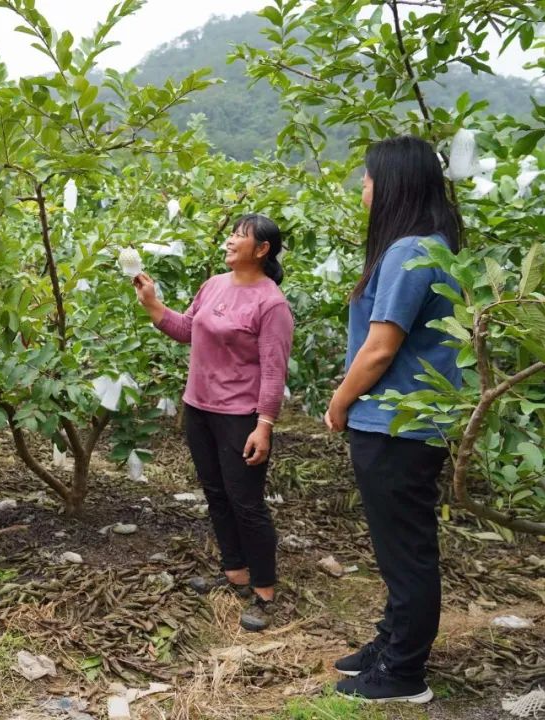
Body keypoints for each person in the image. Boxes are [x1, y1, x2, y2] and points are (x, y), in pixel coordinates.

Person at [324, 135, 462, 704]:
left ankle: (404, 672)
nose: (364, 186)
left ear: (395, 184)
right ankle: (390, 642)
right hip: (409, 422)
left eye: (369, 176)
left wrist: (338, 401)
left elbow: (380, 348)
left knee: (405, 552)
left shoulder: (409, 251)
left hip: (397, 422)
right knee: (399, 547)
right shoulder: (431, 246)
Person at [134, 213, 293, 632]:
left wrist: (265, 425)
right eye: (232, 234)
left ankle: (263, 590)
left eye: (240, 236)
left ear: (262, 250)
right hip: (199, 408)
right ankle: (234, 572)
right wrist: (153, 304)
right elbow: (188, 330)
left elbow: (274, 371)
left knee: (247, 502)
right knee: (216, 493)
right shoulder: (214, 285)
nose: (230, 241)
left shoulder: (271, 303)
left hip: (240, 415)